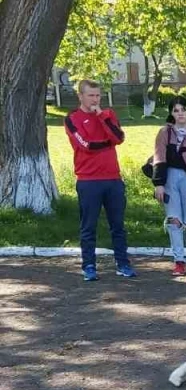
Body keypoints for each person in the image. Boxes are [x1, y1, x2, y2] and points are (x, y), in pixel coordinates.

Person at [65, 79, 136, 282]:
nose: (95, 99)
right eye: (91, 95)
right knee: (88, 226)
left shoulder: (108, 114)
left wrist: (102, 117)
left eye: (98, 95)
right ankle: (88, 265)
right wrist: (107, 143)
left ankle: (122, 263)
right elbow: (86, 144)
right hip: (88, 180)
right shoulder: (72, 118)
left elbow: (119, 137)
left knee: (118, 225)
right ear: (80, 96)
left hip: (113, 179)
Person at [151, 95, 186, 276]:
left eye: (183, 109)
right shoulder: (165, 132)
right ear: (171, 114)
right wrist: (159, 183)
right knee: (174, 219)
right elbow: (160, 157)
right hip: (170, 177)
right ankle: (179, 261)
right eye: (176, 110)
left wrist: (184, 159)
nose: (180, 113)